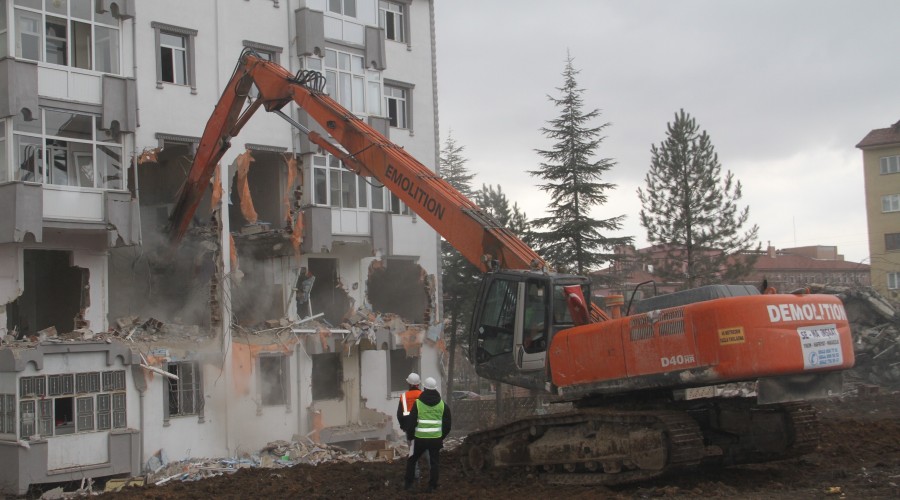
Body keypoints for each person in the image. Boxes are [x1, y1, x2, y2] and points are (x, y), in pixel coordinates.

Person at [403, 377, 451, 493]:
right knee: (434, 463)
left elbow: (411, 423)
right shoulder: (443, 405)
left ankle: (409, 485)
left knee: (412, 460)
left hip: (419, 439)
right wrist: (440, 436)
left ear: (424, 388)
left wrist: (410, 437)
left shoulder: (418, 404)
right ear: (435, 389)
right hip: (435, 440)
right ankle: (432, 486)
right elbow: (447, 425)